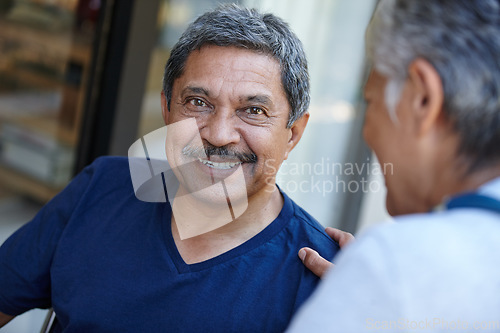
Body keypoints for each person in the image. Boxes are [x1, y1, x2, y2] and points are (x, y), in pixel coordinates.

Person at [0, 4, 341, 332]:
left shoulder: (326, 279)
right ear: (166, 110)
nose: (219, 135)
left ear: (293, 133)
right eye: (198, 103)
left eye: (253, 110)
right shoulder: (103, 187)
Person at [289, 0, 500, 331]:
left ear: (422, 99)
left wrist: (374, 287)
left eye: (370, 100)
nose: (366, 131)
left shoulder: (396, 268)